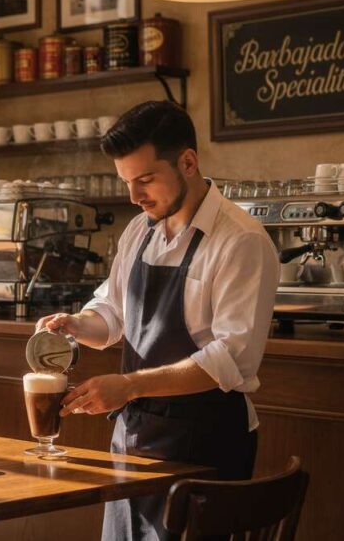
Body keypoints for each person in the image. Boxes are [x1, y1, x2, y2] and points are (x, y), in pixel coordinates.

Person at [36, 101, 279, 541]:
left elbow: (231, 360)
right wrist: (75, 323)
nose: (134, 196)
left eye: (145, 180)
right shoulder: (140, 230)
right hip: (134, 439)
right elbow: (112, 315)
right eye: (126, 182)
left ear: (188, 162)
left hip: (205, 446)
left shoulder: (240, 241)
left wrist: (128, 386)